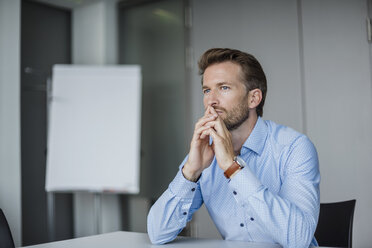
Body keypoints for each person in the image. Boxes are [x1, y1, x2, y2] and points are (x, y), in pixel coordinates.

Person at [147, 48, 320, 248]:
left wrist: (232, 167)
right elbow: (157, 234)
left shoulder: (294, 147)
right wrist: (190, 172)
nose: (211, 100)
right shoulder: (204, 155)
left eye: (224, 88)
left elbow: (299, 238)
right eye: (207, 90)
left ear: (253, 98)